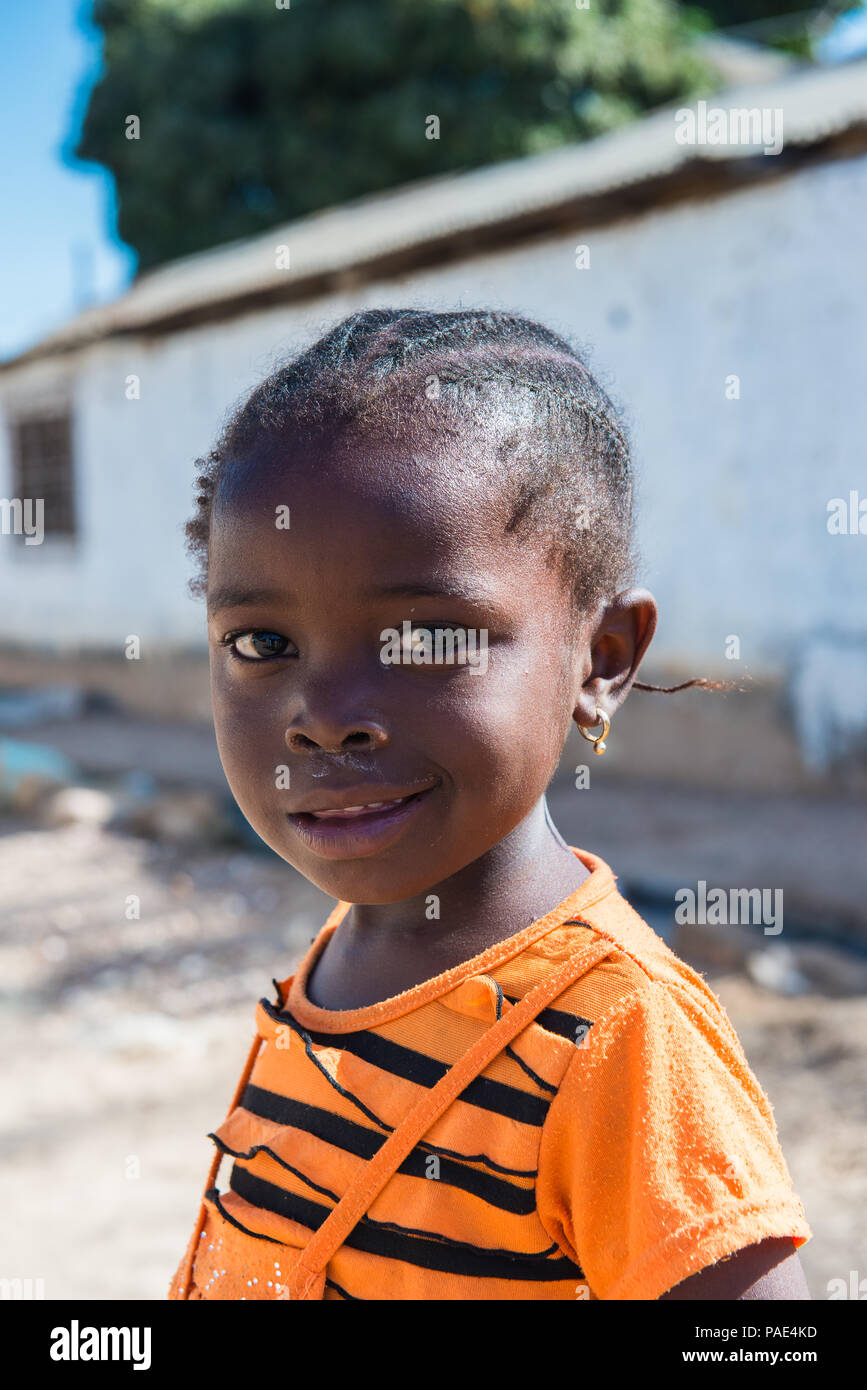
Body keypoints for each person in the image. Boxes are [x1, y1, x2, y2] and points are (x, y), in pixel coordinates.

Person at [168, 308, 811, 1300]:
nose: (325, 719)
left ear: (599, 660)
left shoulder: (618, 1033)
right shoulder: (346, 956)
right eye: (261, 644)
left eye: (426, 636)